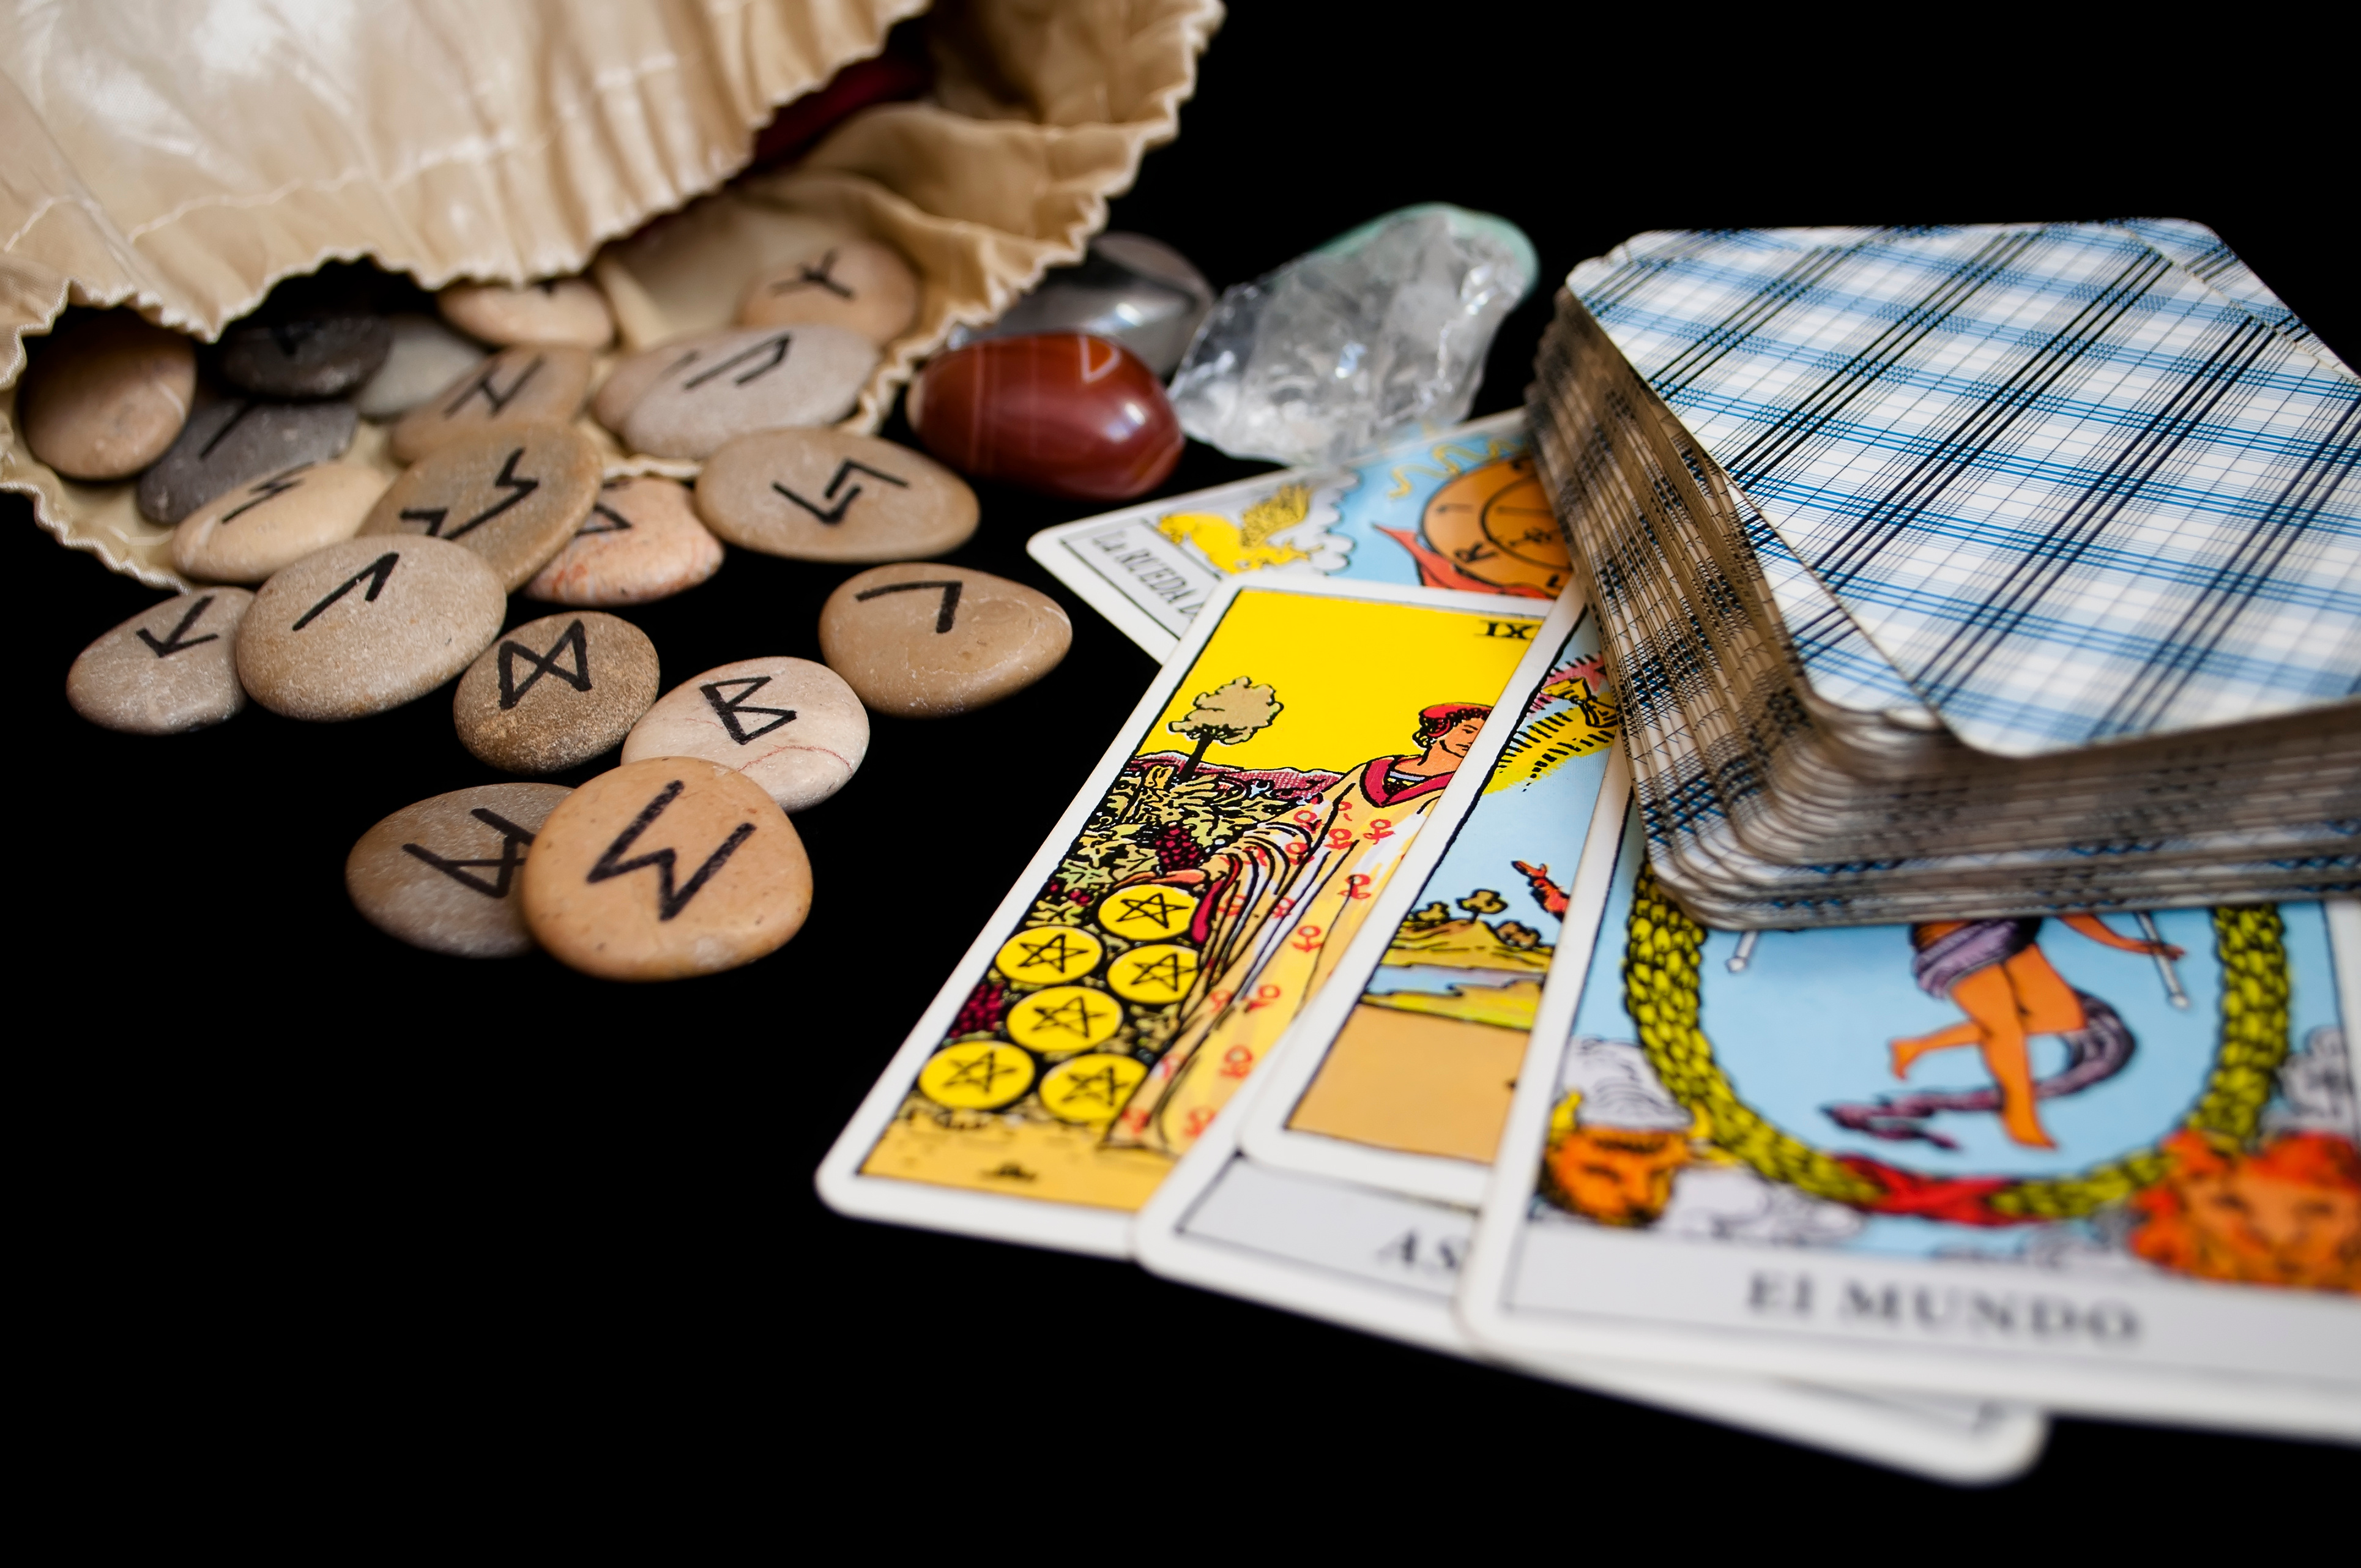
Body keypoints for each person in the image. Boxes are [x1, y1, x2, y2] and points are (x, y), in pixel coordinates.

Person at [1105, 703, 1492, 1156]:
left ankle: (1224, 1136)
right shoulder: (1372, 771)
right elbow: (1295, 827)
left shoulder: (1467, 792)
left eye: (1483, 732)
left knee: (1303, 1022)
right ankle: (1164, 1117)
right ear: (1439, 730)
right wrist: (1213, 869)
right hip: (1286, 912)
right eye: (1468, 728)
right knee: (1229, 1000)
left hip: (1353, 927)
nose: (1472, 739)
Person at [1889, 915, 2183, 1150]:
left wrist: (2120, 942)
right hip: (1954, 934)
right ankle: (2020, 1117)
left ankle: (1916, 1046)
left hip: (2005, 924)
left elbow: (2061, 899)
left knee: (2063, 1017)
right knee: (2005, 1026)